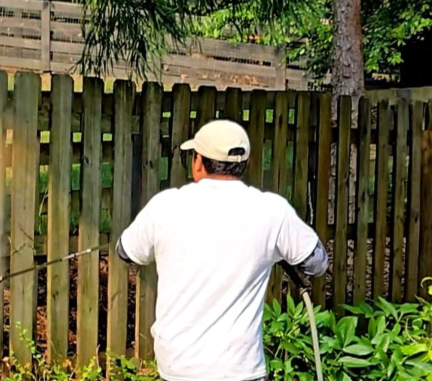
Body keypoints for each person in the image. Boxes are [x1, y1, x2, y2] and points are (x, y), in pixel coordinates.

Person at [116, 119, 328, 381]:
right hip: (240, 369)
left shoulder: (165, 206)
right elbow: (316, 264)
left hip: (179, 367)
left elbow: (125, 251)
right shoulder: (272, 211)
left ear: (198, 162)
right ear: (245, 165)